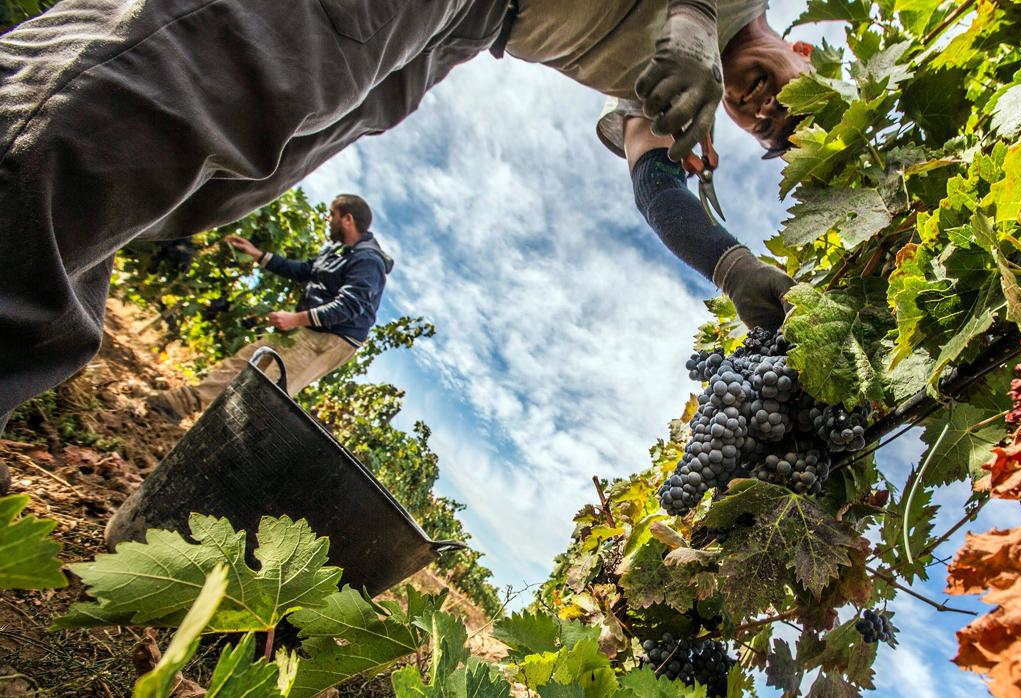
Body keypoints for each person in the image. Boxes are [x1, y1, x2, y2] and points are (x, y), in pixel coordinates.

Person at [0, 0, 809, 431]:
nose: (766, 113)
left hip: (466, 26)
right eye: (789, 100)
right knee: (203, 75)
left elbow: (656, 186)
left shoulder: (676, 92)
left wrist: (730, 266)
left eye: (767, 133)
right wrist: (698, 18)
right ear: (805, 52)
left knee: (220, 176)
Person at [146, 194, 392, 422]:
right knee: (246, 360)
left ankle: (219, 443)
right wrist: (258, 255)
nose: (329, 220)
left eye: (333, 215)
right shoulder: (336, 252)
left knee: (267, 390)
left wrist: (296, 319)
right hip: (308, 325)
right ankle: (181, 404)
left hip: (331, 338)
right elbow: (301, 270)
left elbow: (350, 306)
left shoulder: (368, 261)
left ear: (347, 219)